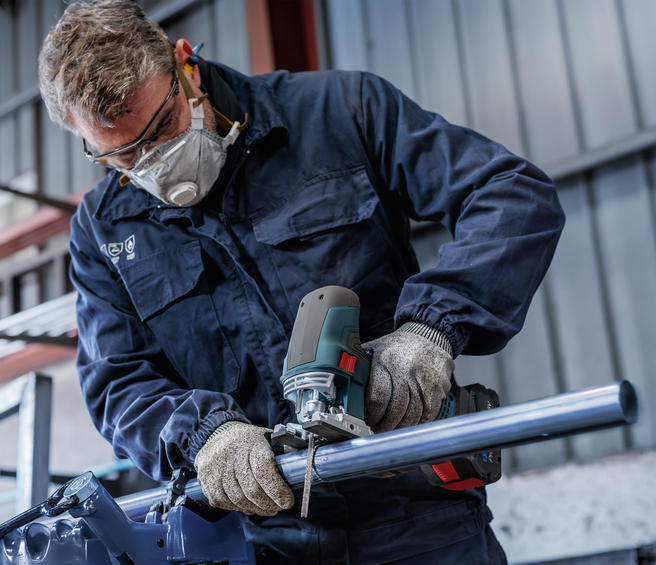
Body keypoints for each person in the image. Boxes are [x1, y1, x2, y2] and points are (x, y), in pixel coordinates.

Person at [38, 1, 564, 563]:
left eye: (161, 127)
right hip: (271, 542)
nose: (154, 162)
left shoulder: (338, 111)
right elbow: (118, 382)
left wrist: (430, 331)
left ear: (184, 63)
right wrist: (205, 436)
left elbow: (509, 196)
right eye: (121, 154)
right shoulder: (102, 230)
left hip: (420, 514)